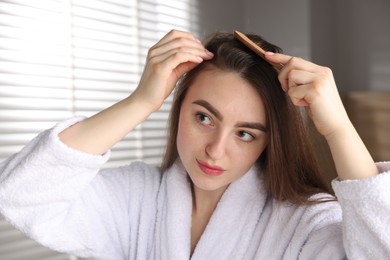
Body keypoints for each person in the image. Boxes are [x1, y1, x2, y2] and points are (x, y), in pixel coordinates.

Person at [0, 29, 389, 260]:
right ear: (179, 108)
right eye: (204, 118)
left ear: (268, 142)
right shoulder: (136, 198)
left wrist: (338, 128)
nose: (215, 150)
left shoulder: (303, 223)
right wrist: (141, 101)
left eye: (245, 133)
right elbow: (23, 194)